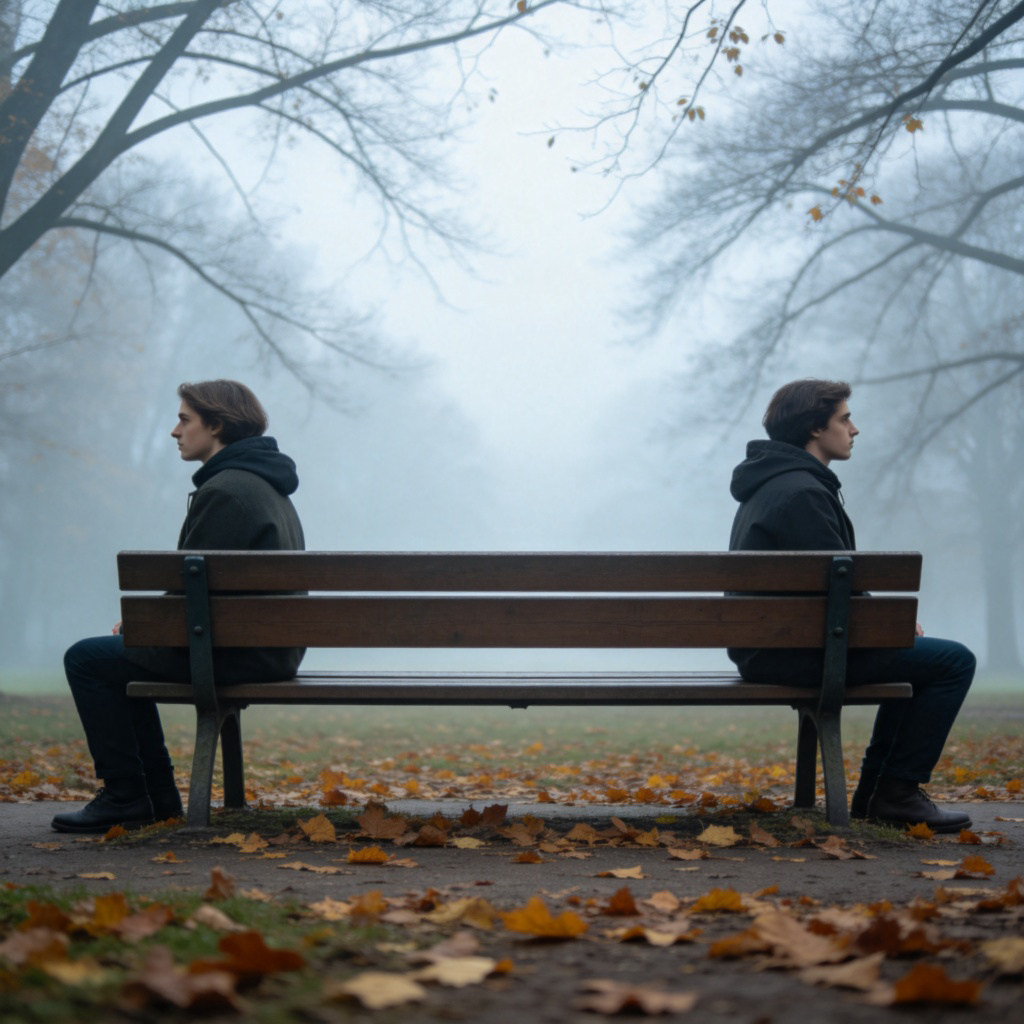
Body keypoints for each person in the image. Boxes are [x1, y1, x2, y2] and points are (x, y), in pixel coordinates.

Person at [52, 380, 306, 833]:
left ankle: (128, 796)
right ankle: (155, 797)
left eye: (185, 420)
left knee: (86, 659)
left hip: (235, 654)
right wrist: (148, 626)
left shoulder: (226, 491)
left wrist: (149, 625)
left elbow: (194, 587)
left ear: (216, 425)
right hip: (266, 649)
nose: (175, 431)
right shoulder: (266, 486)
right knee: (116, 658)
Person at [727, 378, 975, 832]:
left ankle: (883, 794)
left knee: (923, 660)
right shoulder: (803, 493)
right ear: (815, 428)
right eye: (844, 419)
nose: (854, 429)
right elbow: (833, 586)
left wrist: (885, 624)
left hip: (773, 647)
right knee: (953, 662)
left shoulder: (774, 485)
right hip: (795, 654)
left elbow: (828, 583)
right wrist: (885, 624)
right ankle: (892, 793)